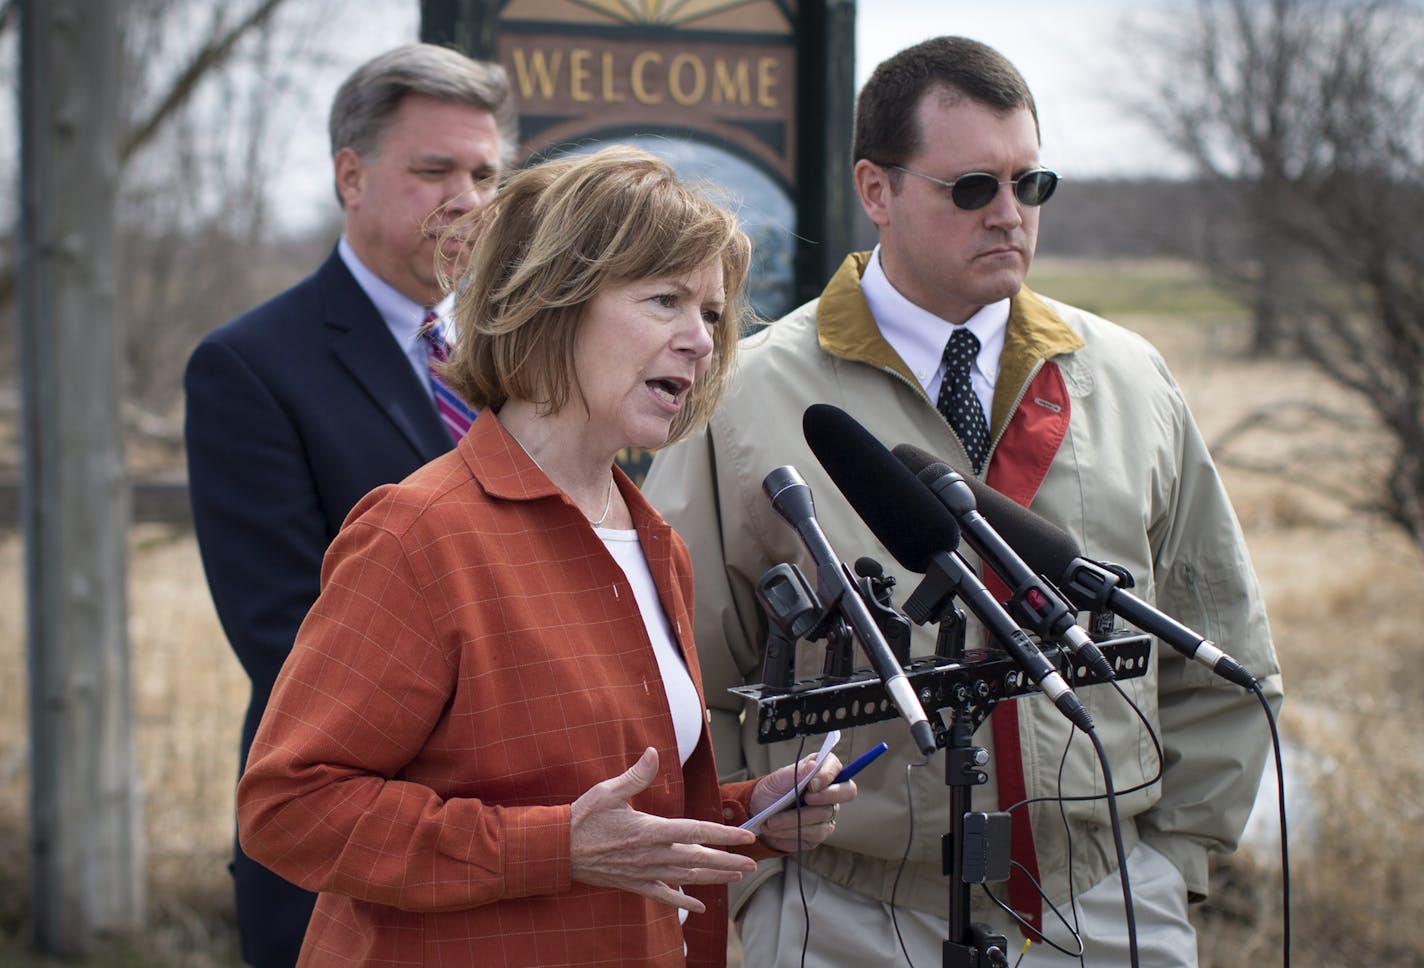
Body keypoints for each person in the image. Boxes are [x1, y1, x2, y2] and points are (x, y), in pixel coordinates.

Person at [643, 36, 1284, 967]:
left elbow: (1220, 637)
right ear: (877, 190)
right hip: (851, 914)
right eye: (974, 187)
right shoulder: (746, 398)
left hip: (1108, 907)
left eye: (1032, 185)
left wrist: (1172, 862)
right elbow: (679, 674)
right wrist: (756, 880)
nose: (1011, 215)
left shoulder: (1131, 378)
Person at [234, 146, 857, 968]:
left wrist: (753, 811)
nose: (700, 341)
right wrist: (554, 847)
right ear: (553, 301)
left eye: (710, 313)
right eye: (665, 300)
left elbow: (612, 812)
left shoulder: (654, 543)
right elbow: (289, 808)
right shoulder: (420, 536)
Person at [184, 43, 517, 968]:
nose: (468, 197)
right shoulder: (249, 367)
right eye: (434, 170)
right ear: (351, 175)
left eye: (487, 172)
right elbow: (284, 637)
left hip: (533, 848)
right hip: (348, 852)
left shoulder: (530, 359)